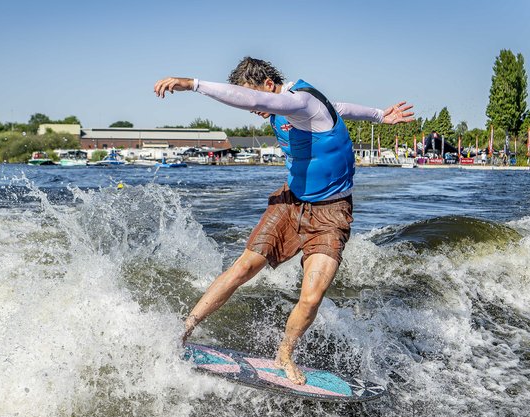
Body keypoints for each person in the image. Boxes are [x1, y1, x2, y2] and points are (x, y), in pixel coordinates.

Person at [154, 56, 414, 384]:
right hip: (290, 202)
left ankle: (284, 354)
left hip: (331, 214)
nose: (255, 110)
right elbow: (341, 107)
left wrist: (192, 84)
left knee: (312, 296)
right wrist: (379, 114)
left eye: (257, 100)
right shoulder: (292, 108)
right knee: (243, 268)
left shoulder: (301, 100)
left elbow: (263, 100)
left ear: (268, 85)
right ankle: (184, 329)